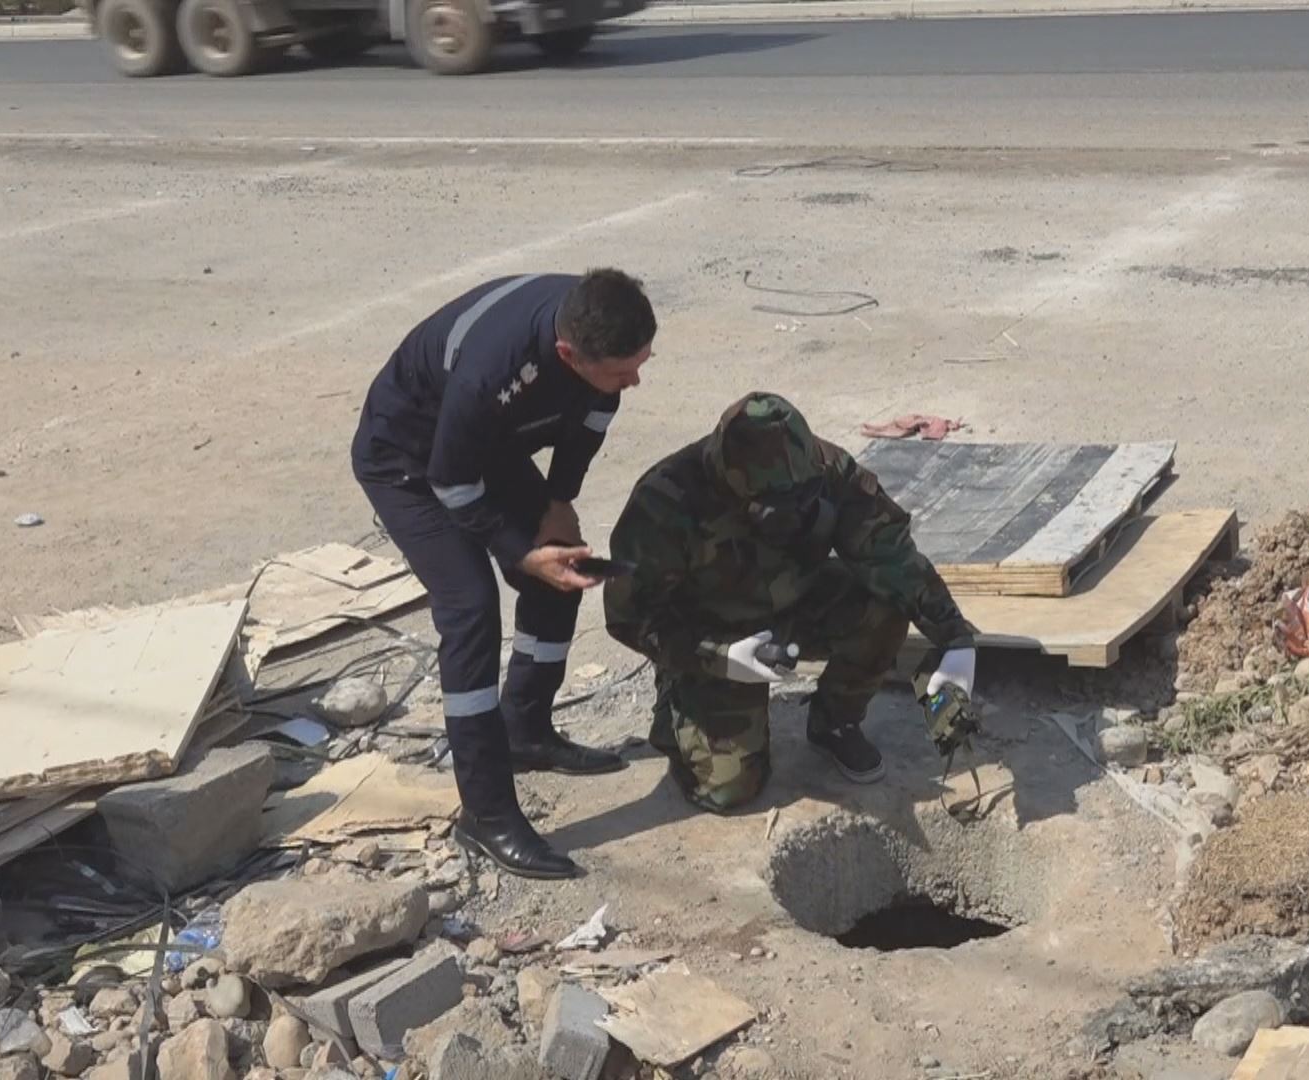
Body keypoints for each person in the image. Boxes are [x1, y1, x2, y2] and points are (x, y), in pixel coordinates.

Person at [351, 269, 655, 879]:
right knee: (470, 607)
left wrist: (557, 503)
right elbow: (449, 481)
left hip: (486, 447)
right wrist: (518, 551)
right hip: (409, 461)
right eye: (624, 371)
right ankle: (486, 812)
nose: (635, 381)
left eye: (642, 364)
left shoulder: (593, 323)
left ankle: (525, 729)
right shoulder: (493, 370)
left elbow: (590, 423)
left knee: (564, 558)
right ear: (569, 355)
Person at [602, 392, 979, 813]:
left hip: (797, 602)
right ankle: (677, 699)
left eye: (803, 498)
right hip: (713, 630)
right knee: (729, 789)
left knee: (885, 603)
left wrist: (955, 639)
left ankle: (835, 722)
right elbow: (629, 617)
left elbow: (894, 559)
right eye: (774, 509)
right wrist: (720, 656)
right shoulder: (665, 502)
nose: (794, 513)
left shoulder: (827, 470)